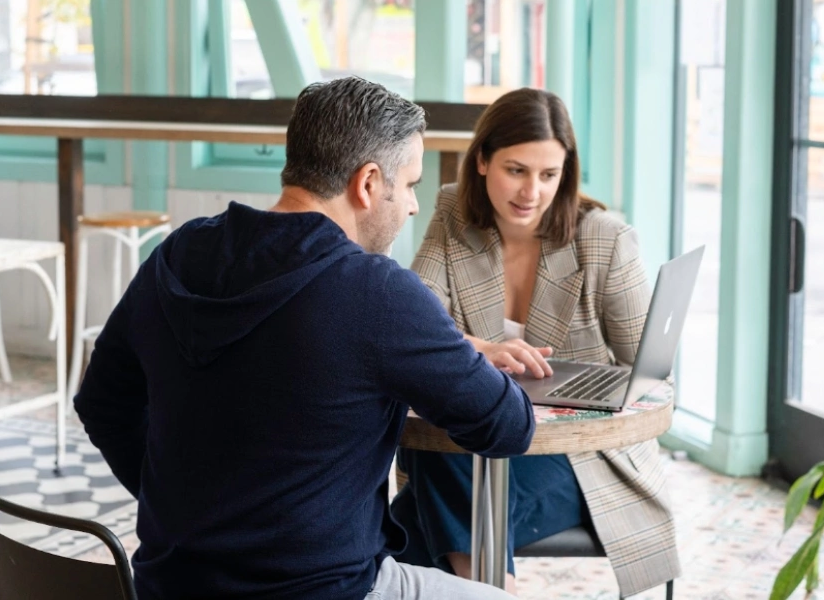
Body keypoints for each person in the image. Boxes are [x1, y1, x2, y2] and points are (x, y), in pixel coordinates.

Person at [73, 76, 534, 600]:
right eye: (408, 184)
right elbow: (507, 426)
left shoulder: (177, 254)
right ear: (367, 184)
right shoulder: (377, 292)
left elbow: (101, 402)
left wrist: (188, 517)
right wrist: (454, 346)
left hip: (170, 586)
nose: (411, 206)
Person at [391, 88, 681, 597]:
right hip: (478, 442)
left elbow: (652, 375)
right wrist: (477, 347)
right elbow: (416, 323)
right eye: (517, 170)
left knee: (400, 524)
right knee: (443, 466)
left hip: (580, 458)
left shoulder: (605, 239)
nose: (532, 192)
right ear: (481, 161)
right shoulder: (453, 213)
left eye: (550, 175)